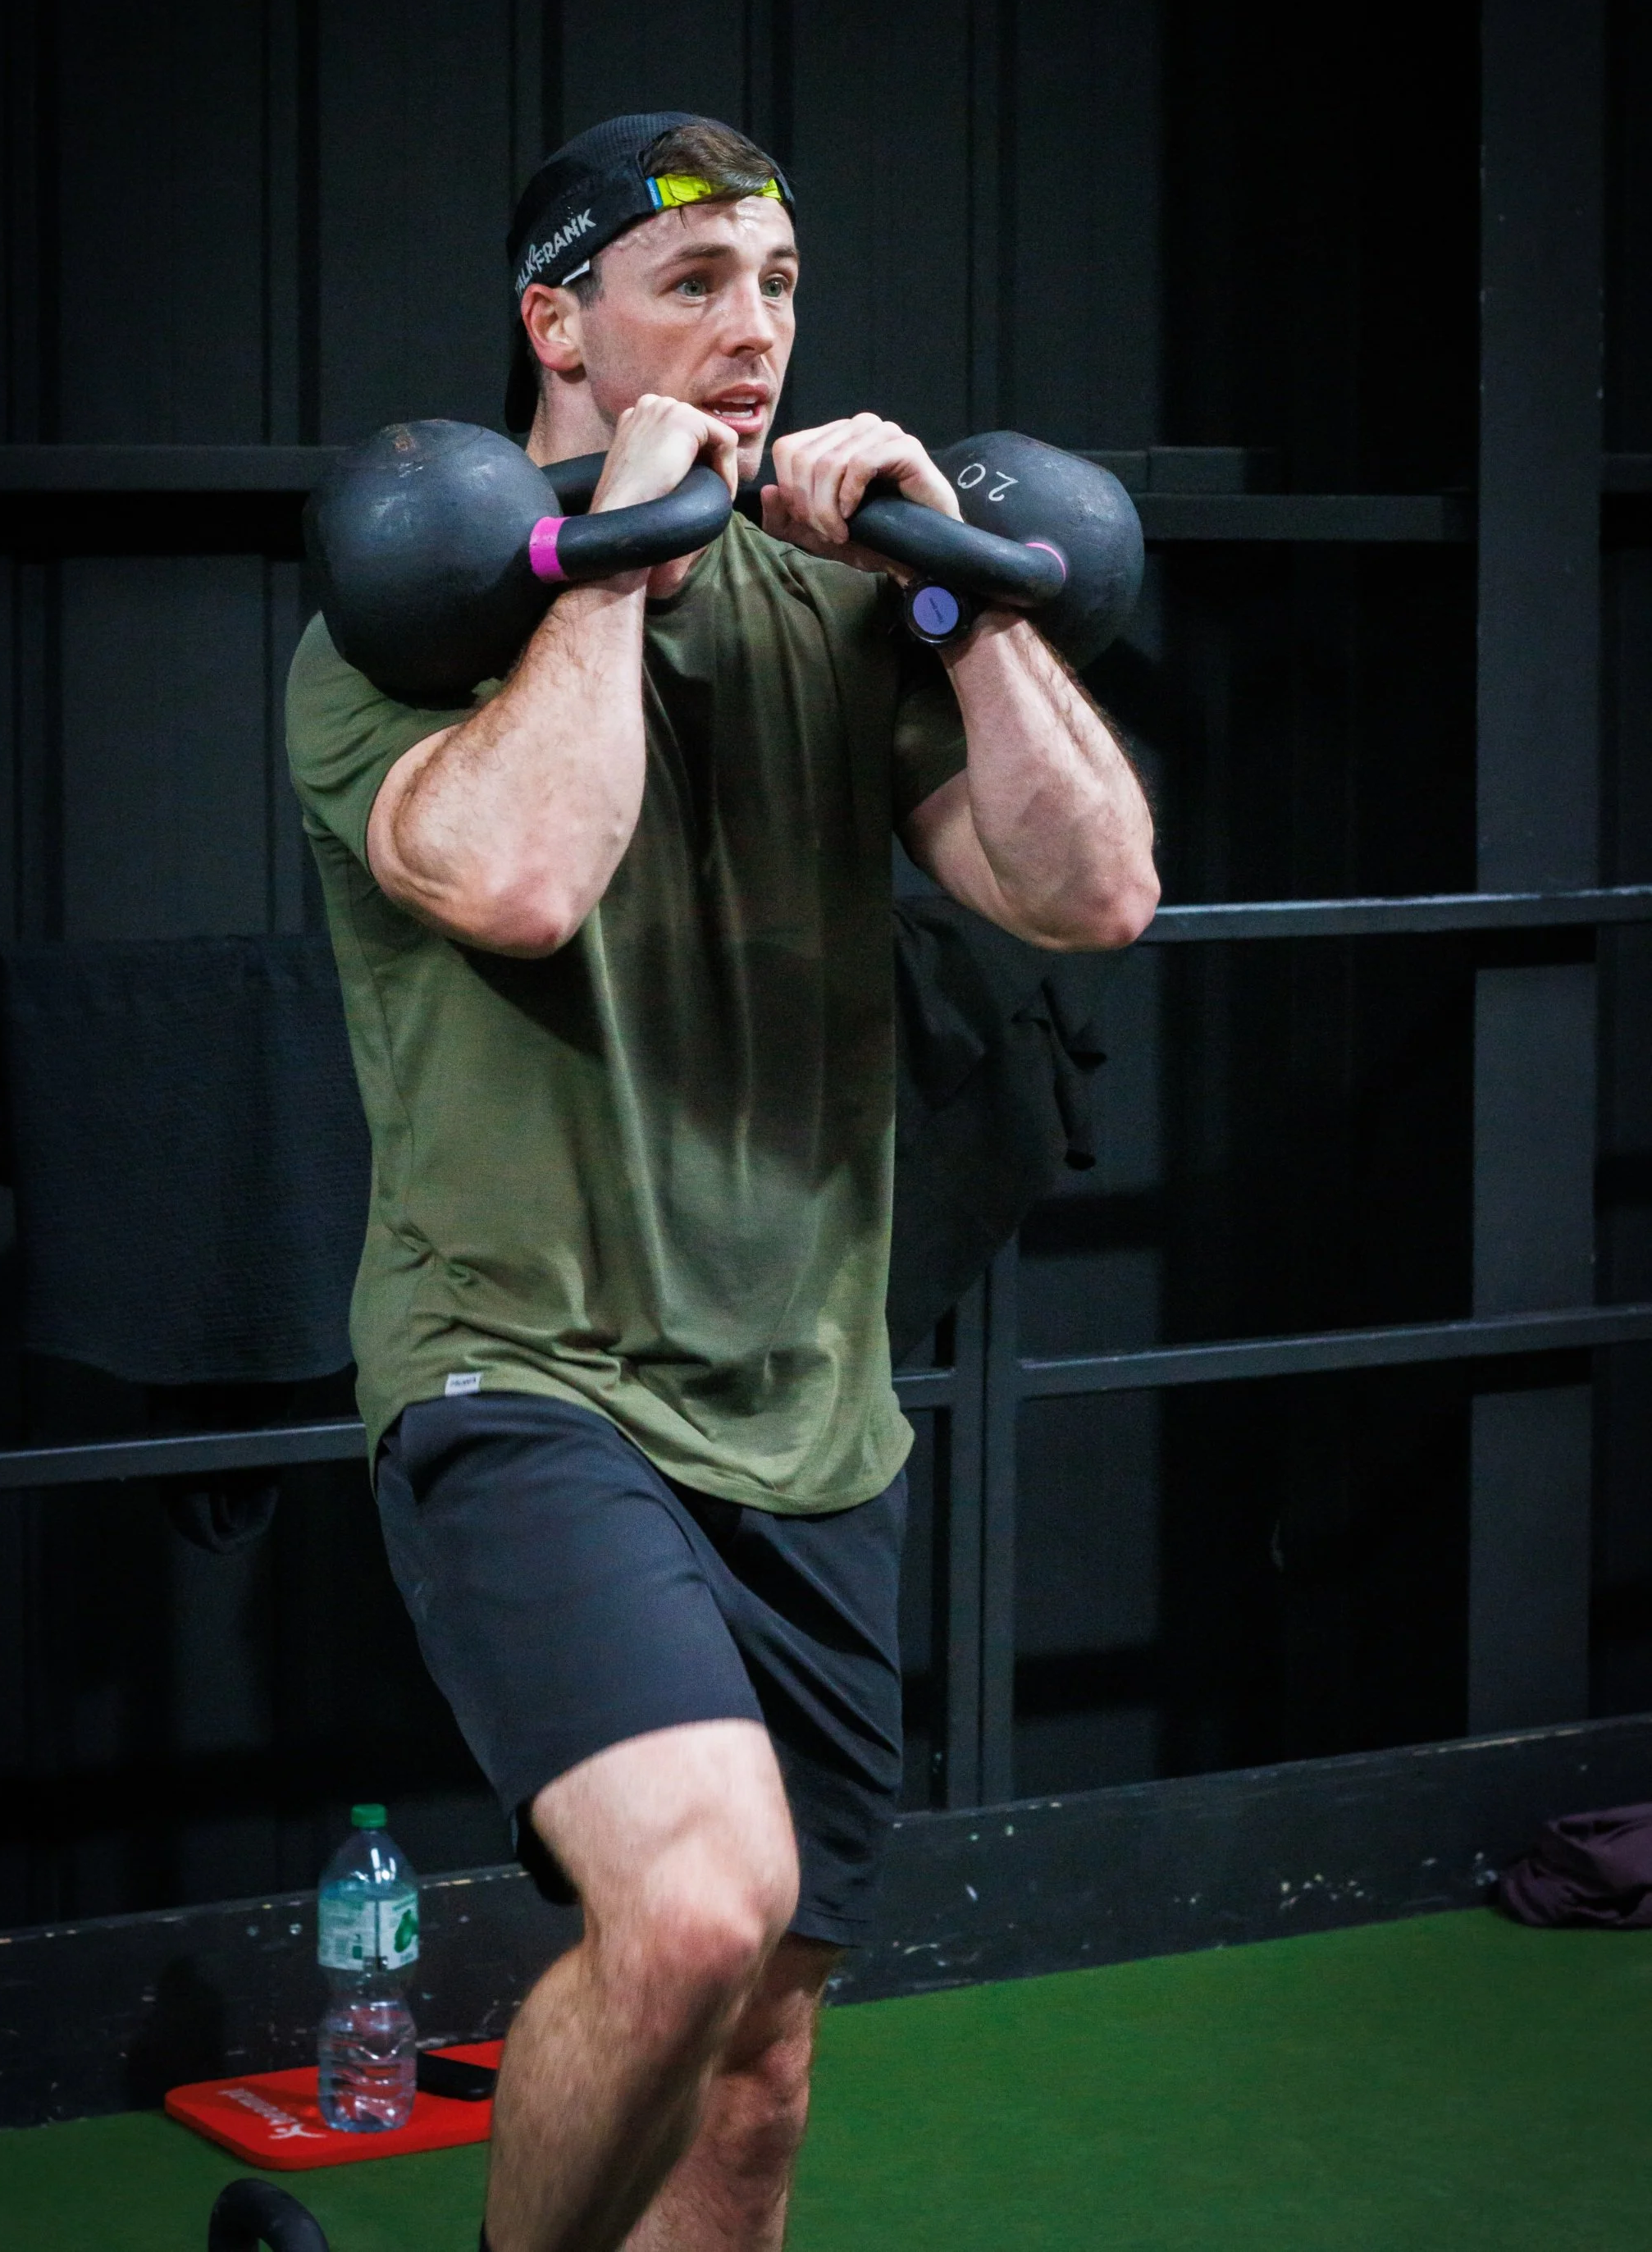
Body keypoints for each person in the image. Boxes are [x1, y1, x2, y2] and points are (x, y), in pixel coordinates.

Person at [286, 109, 1157, 2252]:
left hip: (805, 1409)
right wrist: (620, 566)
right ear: (552, 323)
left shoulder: (851, 613)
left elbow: (1089, 893)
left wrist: (956, 602)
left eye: (776, 284)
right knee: (687, 1914)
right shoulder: (404, 625)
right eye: (693, 285)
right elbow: (516, 873)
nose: (754, 330)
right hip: (527, 1372)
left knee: (757, 2063)